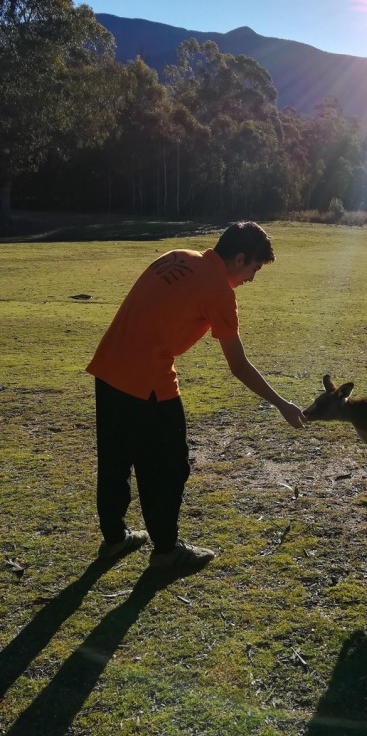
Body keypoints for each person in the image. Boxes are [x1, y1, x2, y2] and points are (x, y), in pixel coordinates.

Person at [87, 221, 306, 569]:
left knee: (115, 460)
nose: (252, 278)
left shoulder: (178, 256)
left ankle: (114, 539)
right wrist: (281, 404)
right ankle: (166, 551)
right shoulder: (219, 290)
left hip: (108, 368)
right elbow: (239, 365)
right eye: (254, 268)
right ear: (239, 258)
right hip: (147, 381)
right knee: (168, 466)